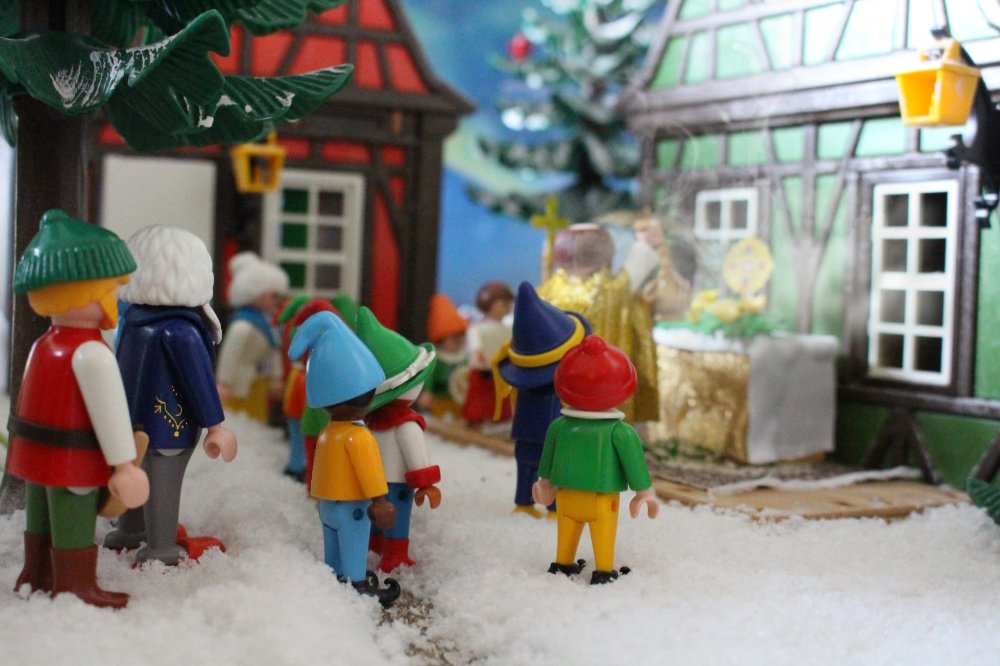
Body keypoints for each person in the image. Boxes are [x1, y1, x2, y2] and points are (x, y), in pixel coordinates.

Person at [7, 209, 149, 608]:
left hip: (35, 457)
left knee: (40, 513)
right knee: (73, 516)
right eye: (113, 287)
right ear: (93, 293)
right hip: (74, 461)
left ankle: (35, 573)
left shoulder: (43, 346)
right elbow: (110, 413)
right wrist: (124, 466)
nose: (117, 296)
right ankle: (74, 588)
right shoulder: (91, 353)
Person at [106, 225, 238, 565]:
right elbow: (199, 382)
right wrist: (216, 426)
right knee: (164, 483)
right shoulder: (180, 330)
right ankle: (161, 547)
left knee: (135, 468)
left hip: (129, 420)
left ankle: (131, 529)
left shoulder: (130, 320)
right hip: (169, 426)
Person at [289, 311, 401, 606]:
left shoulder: (328, 432)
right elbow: (369, 472)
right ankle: (356, 584)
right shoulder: (358, 436)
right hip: (353, 507)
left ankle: (335, 577)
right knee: (353, 544)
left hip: (327, 505)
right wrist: (380, 501)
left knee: (333, 549)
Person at [532, 335, 660, 585]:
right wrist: (643, 492)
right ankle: (603, 571)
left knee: (567, 532)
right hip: (601, 500)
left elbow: (546, 460)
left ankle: (563, 564)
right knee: (603, 535)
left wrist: (545, 483)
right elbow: (634, 464)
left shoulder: (558, 426)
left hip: (567, 497)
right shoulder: (620, 432)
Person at [537, 222, 663, 421]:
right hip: (601, 379)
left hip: (559, 381)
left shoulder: (547, 291)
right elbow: (633, 272)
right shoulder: (610, 290)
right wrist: (644, 244)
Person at [493, 282, 590, 518]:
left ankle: (526, 503)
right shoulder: (554, 392)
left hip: (526, 434)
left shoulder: (525, 387)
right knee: (550, 471)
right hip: (547, 436)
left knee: (528, 467)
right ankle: (549, 507)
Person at [355, 307, 442, 572]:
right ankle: (394, 555)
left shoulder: (368, 421)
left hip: (371, 481)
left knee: (375, 514)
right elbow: (417, 457)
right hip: (397, 483)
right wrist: (426, 484)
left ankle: (373, 545)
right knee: (397, 518)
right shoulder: (406, 425)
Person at [216, 251, 288, 422]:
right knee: (240, 420)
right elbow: (230, 355)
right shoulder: (243, 325)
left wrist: (276, 379)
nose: (276, 300)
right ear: (255, 293)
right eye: (273, 295)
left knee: (257, 420)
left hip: (259, 383)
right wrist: (224, 383)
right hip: (241, 385)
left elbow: (273, 351)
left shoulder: (266, 323)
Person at [461, 281, 514, 425]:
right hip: (483, 371)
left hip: (502, 374)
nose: (507, 306)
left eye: (508, 302)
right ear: (488, 302)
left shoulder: (509, 330)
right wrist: (479, 355)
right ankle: (476, 424)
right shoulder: (477, 328)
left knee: (500, 406)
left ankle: (498, 422)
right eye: (503, 302)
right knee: (479, 405)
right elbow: (475, 347)